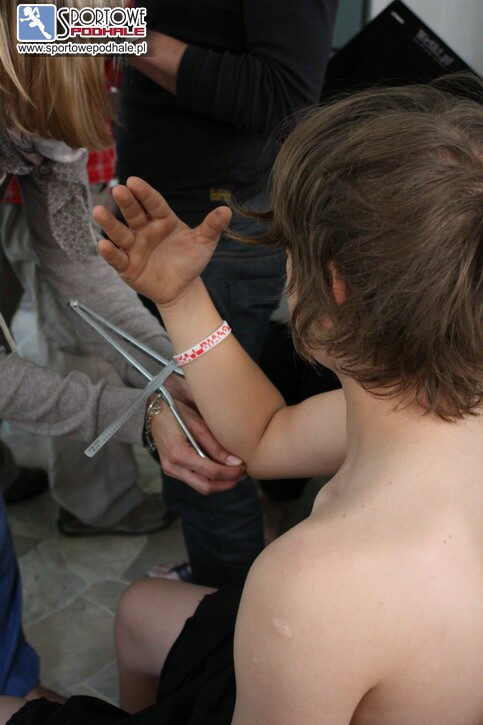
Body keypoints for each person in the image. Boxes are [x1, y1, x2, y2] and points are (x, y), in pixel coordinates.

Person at [3, 76, 482, 724]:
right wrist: (180, 297)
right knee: (141, 607)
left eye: (291, 251)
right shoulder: (422, 410)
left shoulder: (307, 586)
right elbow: (262, 433)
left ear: (333, 286)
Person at [0, 0, 243, 702]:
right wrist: (138, 412)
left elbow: (74, 260)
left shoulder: (56, 31)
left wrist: (170, 368)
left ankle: (14, 682)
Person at [116, 0, 339, 587]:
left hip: (210, 226)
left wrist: (104, 30)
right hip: (170, 216)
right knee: (199, 438)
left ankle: (227, 607)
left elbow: (285, 92)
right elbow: (35, 32)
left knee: (210, 450)